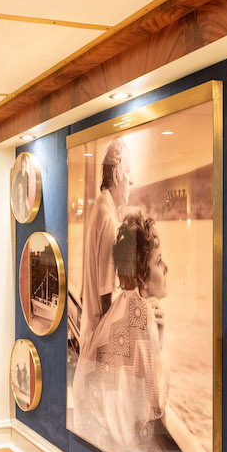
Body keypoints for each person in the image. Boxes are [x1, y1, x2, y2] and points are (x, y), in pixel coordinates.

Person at [72, 212, 170, 452]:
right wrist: (160, 336)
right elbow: (155, 402)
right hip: (107, 450)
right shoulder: (141, 313)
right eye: (159, 262)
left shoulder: (122, 304)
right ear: (142, 276)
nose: (166, 268)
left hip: (86, 439)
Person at [79, 138, 130, 347]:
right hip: (99, 344)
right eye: (128, 171)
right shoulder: (108, 217)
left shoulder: (100, 206)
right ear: (116, 174)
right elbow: (106, 296)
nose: (132, 180)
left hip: (90, 336)